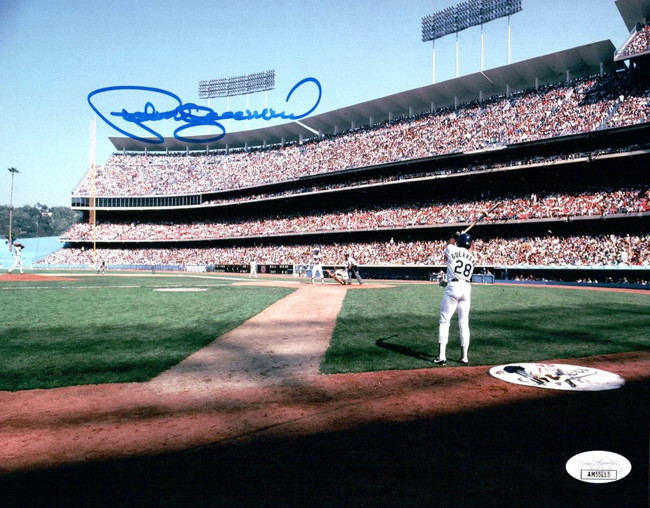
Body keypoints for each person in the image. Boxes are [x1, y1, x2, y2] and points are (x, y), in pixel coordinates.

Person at [433, 233, 476, 366]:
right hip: (466, 287)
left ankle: (441, 356)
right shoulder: (473, 257)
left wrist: (454, 235)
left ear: (459, 242)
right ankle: (464, 357)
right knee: (464, 324)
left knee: (444, 321)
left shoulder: (452, 249)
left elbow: (449, 244)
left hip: (453, 286)